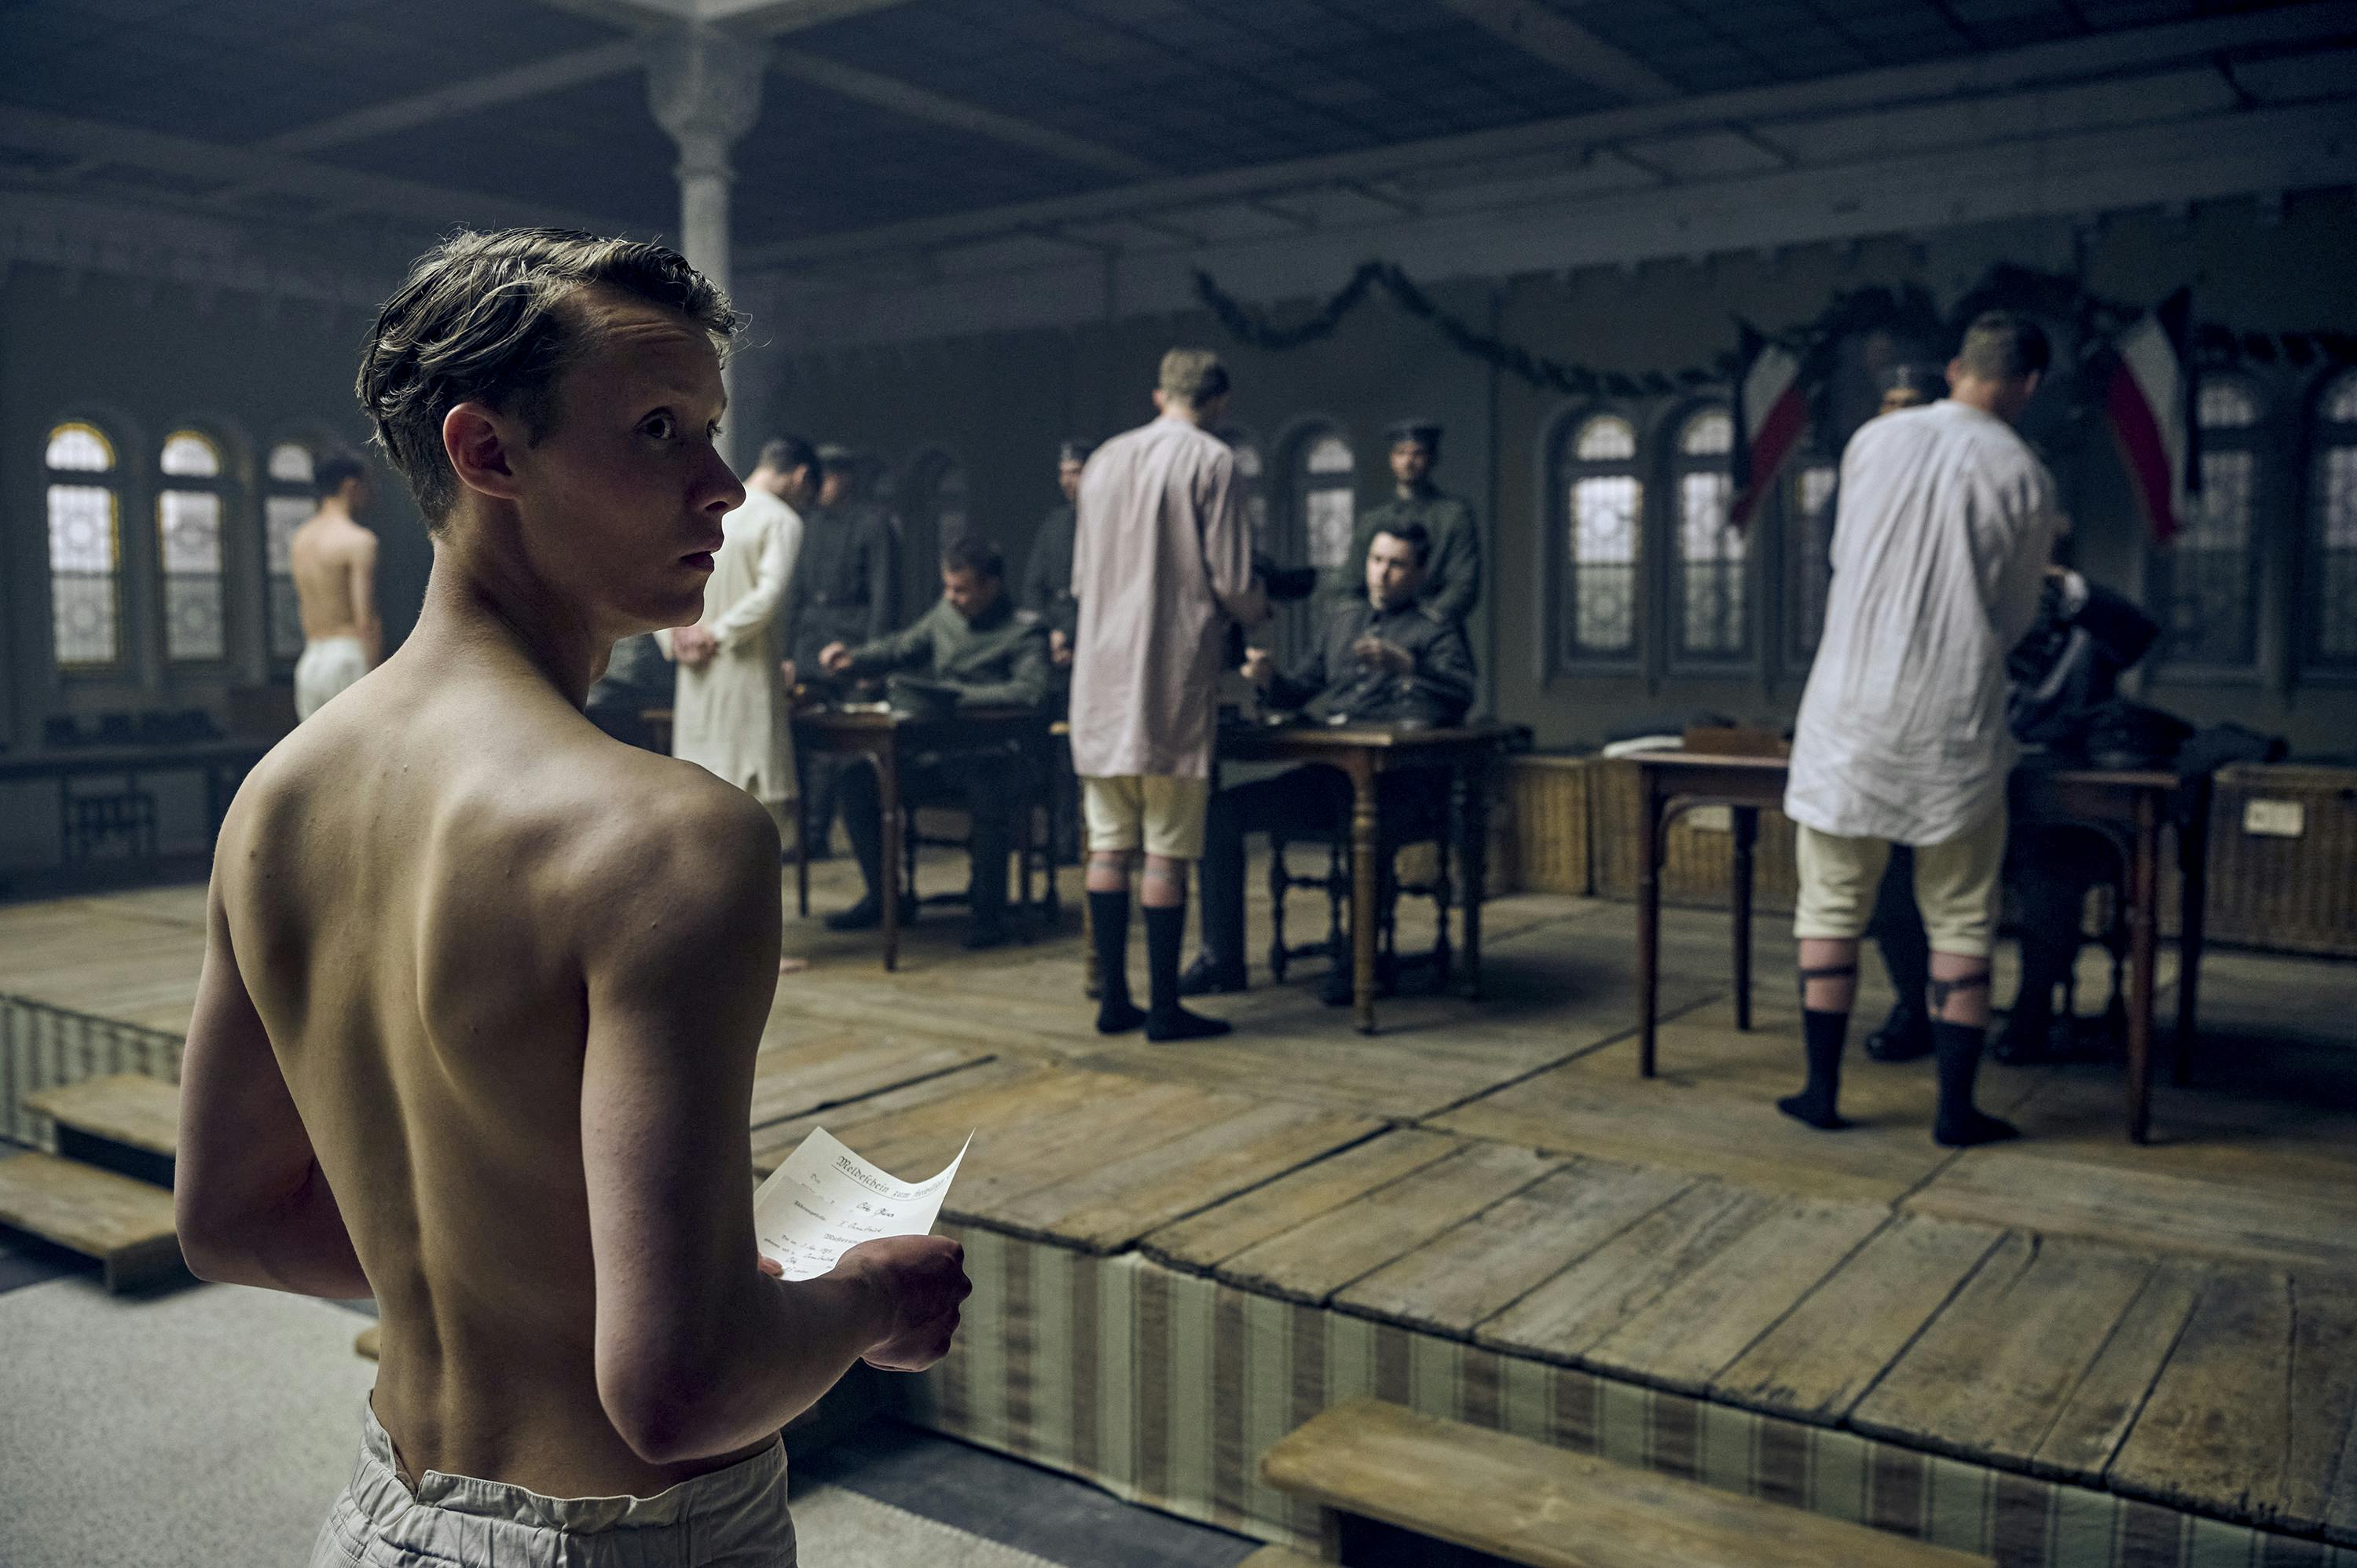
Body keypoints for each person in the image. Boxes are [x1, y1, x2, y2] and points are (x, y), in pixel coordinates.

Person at [173, 229, 967, 1568]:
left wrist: (513, 1279)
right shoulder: (666, 839)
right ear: (489, 456)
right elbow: (679, 1391)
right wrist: (866, 1302)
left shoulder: (275, 802)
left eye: (713, 431)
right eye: (659, 430)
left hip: (383, 1516)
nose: (718, 488)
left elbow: (230, 1221)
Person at [1780, 311, 2062, 1149]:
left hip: (1849, 710)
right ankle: (1952, 1111)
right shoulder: (2025, 472)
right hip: (1953, 717)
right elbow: (2013, 615)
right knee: (1962, 916)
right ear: (2030, 385)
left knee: (1829, 903)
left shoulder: (1875, 441)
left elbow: (1841, 561)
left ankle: (1821, 1092)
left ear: (1953, 368)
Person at [1182, 522, 1475, 1004]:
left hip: (1403, 785)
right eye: (1377, 561)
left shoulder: (1435, 628)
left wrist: (1409, 666)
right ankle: (1222, 959)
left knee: (1371, 824)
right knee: (1220, 815)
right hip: (1332, 778)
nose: (1382, 574)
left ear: (1420, 574)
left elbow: (1463, 693)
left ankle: (1359, 963)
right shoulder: (1344, 621)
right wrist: (1269, 678)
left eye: (1397, 564)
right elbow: (1301, 688)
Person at [1070, 347, 1266, 1043]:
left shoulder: (1104, 461)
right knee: (1166, 850)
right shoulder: (1213, 461)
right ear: (1219, 401)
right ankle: (1164, 1010)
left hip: (1099, 678)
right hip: (1169, 676)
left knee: (1109, 847)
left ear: (1161, 396)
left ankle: (1113, 1001)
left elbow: (1082, 579)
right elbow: (1235, 581)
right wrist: (1259, 616)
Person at [818, 533, 1051, 949]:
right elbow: (903, 646)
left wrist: (958, 699)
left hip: (998, 754)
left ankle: (989, 914)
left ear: (991, 585)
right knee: (855, 780)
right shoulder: (946, 614)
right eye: (948, 587)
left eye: (961, 589)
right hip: (939, 752)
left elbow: (1031, 691)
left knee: (988, 786)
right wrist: (854, 658)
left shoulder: (1024, 632)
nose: (952, 597)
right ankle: (886, 897)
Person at [664, 436, 816, 844]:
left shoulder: (709, 509)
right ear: (801, 477)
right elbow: (768, 596)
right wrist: (716, 635)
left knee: (699, 802)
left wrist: (675, 637)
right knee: (756, 818)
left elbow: (661, 577)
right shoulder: (782, 520)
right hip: (746, 678)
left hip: (695, 675)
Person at [783, 444, 903, 857]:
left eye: (833, 476)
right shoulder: (806, 525)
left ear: (847, 478)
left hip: (853, 648)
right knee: (815, 745)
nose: (826, 486)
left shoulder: (873, 525)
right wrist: (787, 653)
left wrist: (872, 656)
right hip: (811, 645)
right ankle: (813, 838)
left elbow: (885, 596)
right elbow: (794, 593)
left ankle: (863, 841)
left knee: (855, 747)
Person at [1329, 418, 1481, 627]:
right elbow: (1349, 583)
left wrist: (1420, 624)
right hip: (1377, 626)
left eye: (1417, 453)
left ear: (1432, 458)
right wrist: (1365, 621)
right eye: (1401, 453)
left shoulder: (1454, 516)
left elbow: (1463, 584)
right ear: (1392, 459)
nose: (1408, 461)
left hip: (1434, 627)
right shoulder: (1373, 520)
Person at [288, 449, 381, 721]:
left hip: (310, 662)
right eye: (367, 485)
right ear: (350, 486)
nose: (371, 493)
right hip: (347, 658)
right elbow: (366, 621)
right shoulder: (359, 541)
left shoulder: (300, 540)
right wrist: (378, 678)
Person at [1019, 439, 1091, 672]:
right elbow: (1033, 585)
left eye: (1076, 472)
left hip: (1089, 632)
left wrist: (1068, 633)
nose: (1068, 481)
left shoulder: (1107, 524)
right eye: (1063, 473)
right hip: (1051, 635)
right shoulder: (1054, 524)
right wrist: (1048, 634)